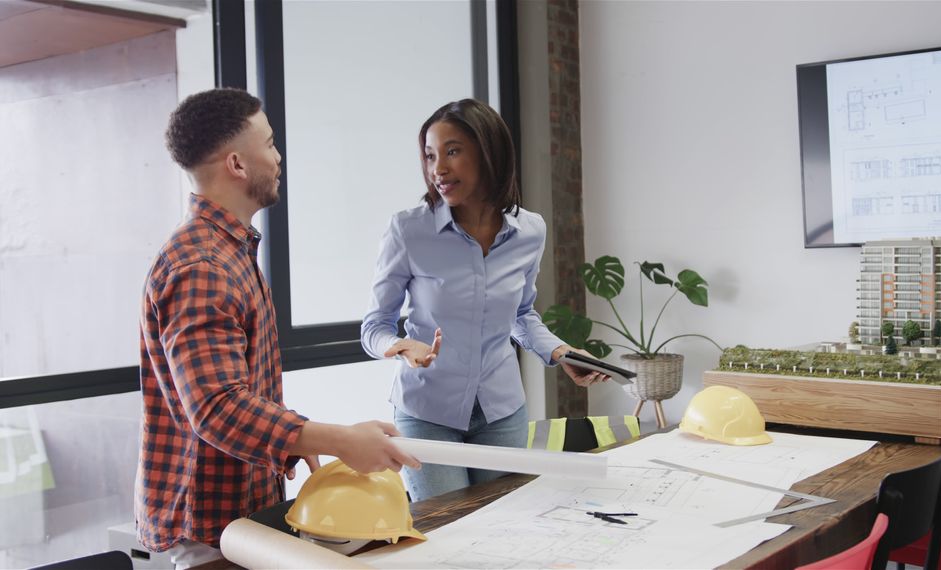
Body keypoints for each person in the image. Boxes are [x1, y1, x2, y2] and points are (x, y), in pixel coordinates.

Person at [137, 88, 419, 568]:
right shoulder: (203, 265)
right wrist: (338, 440)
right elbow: (216, 407)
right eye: (268, 143)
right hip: (211, 530)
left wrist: (300, 442)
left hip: (237, 516)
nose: (278, 155)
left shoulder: (229, 251)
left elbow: (235, 391)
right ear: (237, 165)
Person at [360, 98, 606, 502]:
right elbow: (374, 327)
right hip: (427, 413)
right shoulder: (408, 230)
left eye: (452, 151)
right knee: (448, 532)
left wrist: (561, 353)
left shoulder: (530, 231)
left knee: (504, 527)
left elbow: (521, 316)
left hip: (501, 411)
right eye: (429, 155)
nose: (437, 168)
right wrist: (400, 346)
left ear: (488, 153)